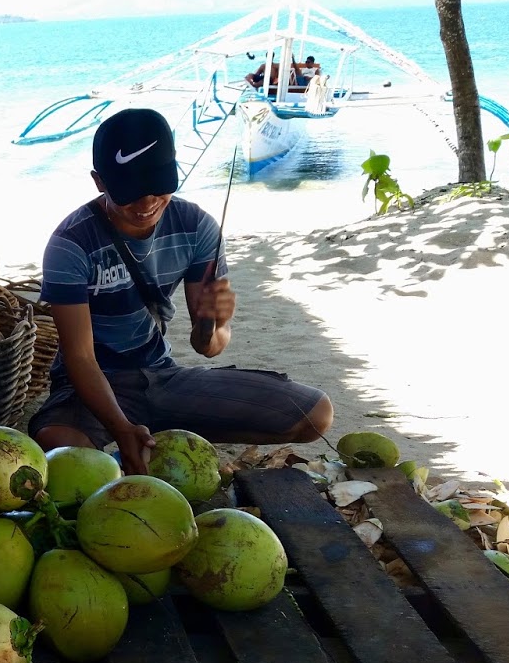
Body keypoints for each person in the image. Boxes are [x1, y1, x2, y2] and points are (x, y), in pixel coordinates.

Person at [28, 107, 333, 474]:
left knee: (314, 414)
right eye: (130, 192)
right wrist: (121, 429)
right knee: (56, 442)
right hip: (91, 382)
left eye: (158, 185)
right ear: (100, 182)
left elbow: (208, 347)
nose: (147, 203)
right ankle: (130, 444)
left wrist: (210, 323)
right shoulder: (71, 243)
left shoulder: (196, 227)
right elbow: (79, 358)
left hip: (161, 375)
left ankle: (166, 440)